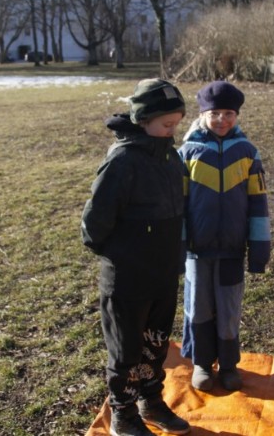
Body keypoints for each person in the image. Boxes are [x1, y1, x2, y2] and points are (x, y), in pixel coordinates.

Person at [81, 78, 191, 436]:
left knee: (155, 343)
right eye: (167, 124)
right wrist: (118, 255)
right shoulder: (123, 162)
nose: (173, 130)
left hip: (162, 274)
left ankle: (150, 399)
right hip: (127, 279)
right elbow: (94, 222)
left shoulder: (170, 156)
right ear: (144, 121)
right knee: (126, 349)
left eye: (177, 123)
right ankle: (123, 412)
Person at [177, 81, 271, 392]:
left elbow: (258, 203)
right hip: (197, 251)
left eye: (229, 113)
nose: (222, 120)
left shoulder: (247, 153)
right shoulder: (187, 153)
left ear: (237, 114)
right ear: (202, 114)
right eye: (214, 113)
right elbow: (178, 206)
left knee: (229, 309)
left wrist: (259, 247)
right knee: (199, 307)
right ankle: (202, 363)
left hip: (232, 250)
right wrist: (178, 247)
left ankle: (229, 364)